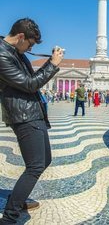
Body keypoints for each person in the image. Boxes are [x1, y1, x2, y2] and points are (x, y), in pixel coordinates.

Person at [0, 18, 64, 224]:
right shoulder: (2, 55)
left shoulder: (15, 51)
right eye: (30, 43)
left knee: (44, 161)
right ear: (20, 37)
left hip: (33, 112)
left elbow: (31, 80)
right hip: (24, 116)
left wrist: (49, 62)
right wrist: (53, 65)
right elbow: (29, 84)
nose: (31, 48)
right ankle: (10, 216)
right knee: (35, 165)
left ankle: (17, 198)